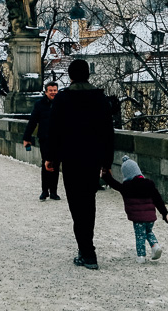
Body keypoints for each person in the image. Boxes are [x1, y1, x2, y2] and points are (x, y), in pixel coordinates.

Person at [44, 59, 114, 270]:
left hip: (71, 159)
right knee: (89, 203)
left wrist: (51, 158)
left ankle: (86, 251)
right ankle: (87, 249)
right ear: (88, 75)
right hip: (92, 159)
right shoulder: (100, 98)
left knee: (76, 205)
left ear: (71, 76)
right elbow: (107, 133)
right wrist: (107, 162)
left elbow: (53, 131)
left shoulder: (63, 98)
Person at [102, 156, 168, 263]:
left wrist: (105, 175)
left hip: (138, 218)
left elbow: (114, 184)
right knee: (148, 231)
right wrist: (164, 213)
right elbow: (158, 199)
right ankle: (155, 246)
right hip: (150, 217)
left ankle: (141, 256)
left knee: (140, 236)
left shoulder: (126, 187)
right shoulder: (149, 184)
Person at [24, 82, 61, 201]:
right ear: (46, 92)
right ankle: (45, 190)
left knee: (55, 164)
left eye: (55, 90)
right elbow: (32, 122)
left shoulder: (60, 104)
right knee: (45, 163)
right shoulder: (39, 105)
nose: (53, 92)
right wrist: (26, 137)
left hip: (58, 139)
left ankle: (54, 191)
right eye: (51, 90)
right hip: (45, 138)